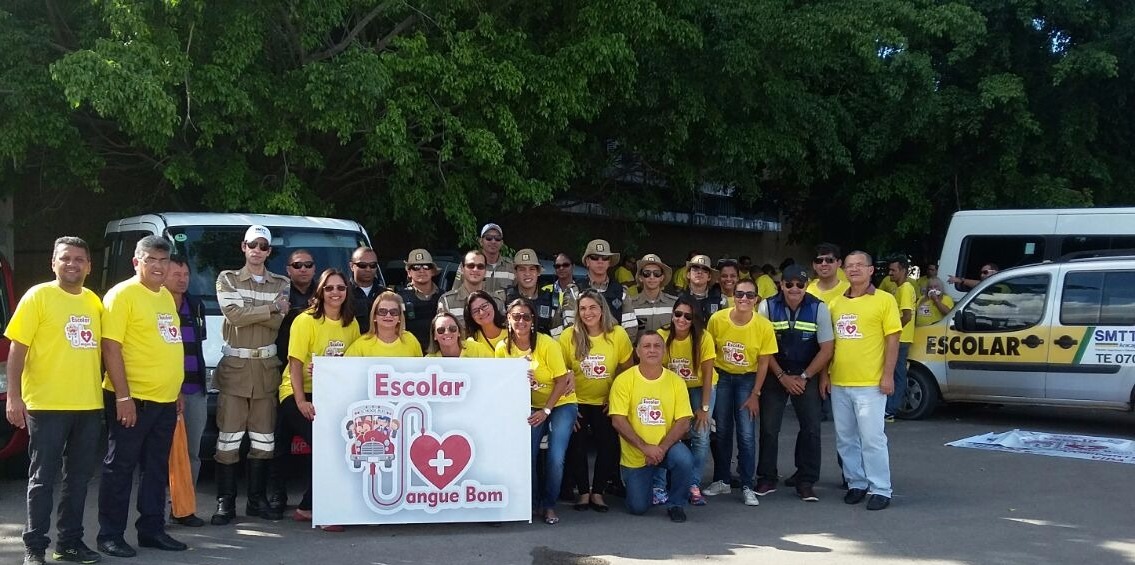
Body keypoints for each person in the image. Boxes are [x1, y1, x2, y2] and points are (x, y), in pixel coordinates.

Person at [6, 237, 104, 565]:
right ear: (53, 263)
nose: (72, 264)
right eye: (65, 258)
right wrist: (15, 397)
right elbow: (17, 349)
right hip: (46, 406)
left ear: (89, 266)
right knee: (42, 479)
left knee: (78, 480)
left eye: (79, 259)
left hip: (88, 406)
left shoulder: (94, 302)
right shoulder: (38, 297)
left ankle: (70, 544)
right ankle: (34, 547)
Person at [98, 235, 187, 556]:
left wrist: (175, 389)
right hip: (132, 400)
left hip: (164, 400)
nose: (159, 267)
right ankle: (110, 534)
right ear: (137, 262)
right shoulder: (122, 295)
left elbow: (169, 342)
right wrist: (123, 397)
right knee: (119, 468)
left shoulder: (164, 296)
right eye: (152, 260)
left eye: (164, 260)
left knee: (156, 468)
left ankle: (151, 529)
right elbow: (111, 347)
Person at [212, 225, 291, 526]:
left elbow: (276, 324)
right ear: (243, 247)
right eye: (252, 244)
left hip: (266, 372)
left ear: (269, 251)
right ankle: (225, 502)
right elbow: (233, 316)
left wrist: (253, 311)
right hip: (235, 372)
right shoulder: (227, 278)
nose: (257, 250)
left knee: (264, 440)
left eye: (263, 245)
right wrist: (269, 307)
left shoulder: (281, 282)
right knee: (228, 440)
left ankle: (256, 501)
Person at [277, 269, 360, 529]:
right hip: (297, 391)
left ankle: (307, 507)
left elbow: (354, 363)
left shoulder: (352, 323)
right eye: (329, 288)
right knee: (327, 445)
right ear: (320, 291)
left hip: (331, 394)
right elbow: (295, 363)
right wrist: (301, 401)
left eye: (340, 288)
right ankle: (326, 512)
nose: (335, 292)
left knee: (340, 444)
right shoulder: (305, 320)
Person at [825, 251, 901, 511]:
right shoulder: (835, 304)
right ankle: (856, 482)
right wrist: (826, 375)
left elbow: (893, 339)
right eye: (849, 266)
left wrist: (888, 375)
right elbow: (829, 345)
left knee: (872, 438)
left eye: (860, 265)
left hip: (871, 383)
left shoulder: (885, 300)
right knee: (845, 437)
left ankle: (881, 488)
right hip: (840, 381)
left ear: (871, 270)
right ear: (843, 271)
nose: (854, 269)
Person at [755, 265, 833, 502]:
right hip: (774, 373)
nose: (794, 289)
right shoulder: (767, 306)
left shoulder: (818, 307)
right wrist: (781, 376)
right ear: (781, 285)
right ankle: (767, 477)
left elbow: (827, 348)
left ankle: (806, 480)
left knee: (811, 428)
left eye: (800, 284)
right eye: (789, 284)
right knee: (769, 428)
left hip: (806, 374)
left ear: (806, 285)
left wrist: (806, 377)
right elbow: (762, 349)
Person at [496, 298, 577, 525]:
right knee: (526, 456)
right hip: (527, 405)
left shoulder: (547, 344)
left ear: (533, 321)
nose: (521, 321)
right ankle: (530, 504)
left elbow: (562, 380)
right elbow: (501, 383)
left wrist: (547, 410)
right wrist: (518, 381)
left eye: (526, 317)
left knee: (555, 457)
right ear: (508, 320)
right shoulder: (502, 348)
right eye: (516, 316)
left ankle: (549, 505)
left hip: (560, 402)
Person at [702, 279, 777, 507]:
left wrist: (755, 393)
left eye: (750, 295)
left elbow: (764, 363)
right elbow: (709, 351)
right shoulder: (718, 319)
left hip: (747, 379)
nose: (744, 299)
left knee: (746, 434)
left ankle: (747, 484)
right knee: (722, 431)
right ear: (733, 295)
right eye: (740, 294)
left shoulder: (763, 326)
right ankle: (722, 479)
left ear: (757, 299)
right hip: (722, 376)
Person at [608, 331, 695, 522]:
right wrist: (645, 448)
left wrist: (661, 449)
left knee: (685, 460)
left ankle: (676, 504)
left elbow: (683, 421)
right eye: (647, 346)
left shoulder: (676, 382)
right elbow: (618, 420)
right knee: (637, 507)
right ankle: (639, 484)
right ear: (637, 351)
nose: (652, 350)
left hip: (666, 448)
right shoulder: (623, 380)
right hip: (636, 453)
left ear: (664, 351)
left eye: (657, 346)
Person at [560, 290, 633, 513]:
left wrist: (616, 399)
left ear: (602, 309)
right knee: (577, 447)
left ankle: (598, 492)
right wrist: (567, 405)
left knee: (608, 446)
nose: (588, 313)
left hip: (606, 400)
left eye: (592, 307)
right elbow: (560, 373)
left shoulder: (617, 334)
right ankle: (583, 492)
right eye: (582, 309)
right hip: (577, 401)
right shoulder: (567, 336)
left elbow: (627, 370)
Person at [655, 297, 716, 506]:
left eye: (688, 316)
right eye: (678, 314)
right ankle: (659, 486)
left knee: (700, 433)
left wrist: (704, 408)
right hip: (672, 388)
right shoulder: (663, 336)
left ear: (695, 319)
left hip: (700, 387)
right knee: (666, 432)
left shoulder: (703, 338)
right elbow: (658, 372)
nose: (682, 319)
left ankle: (692, 483)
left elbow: (708, 374)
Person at [164, 255, 208, 527]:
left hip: (195, 390)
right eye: (176, 274)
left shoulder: (195, 304)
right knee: (159, 454)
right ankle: (156, 511)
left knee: (192, 453)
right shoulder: (156, 305)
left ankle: (183, 509)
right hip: (164, 392)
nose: (182, 279)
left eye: (185, 274)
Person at [564, 240, 638, 341]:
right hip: (583, 351)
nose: (600, 261)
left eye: (605, 258)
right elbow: (570, 328)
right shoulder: (575, 291)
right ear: (587, 261)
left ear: (609, 262)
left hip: (614, 352)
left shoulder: (621, 292)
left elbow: (630, 330)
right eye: (595, 257)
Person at [505, 249, 569, 337]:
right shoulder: (505, 298)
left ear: (538, 272)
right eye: (522, 269)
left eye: (532, 269)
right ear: (515, 273)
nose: (527, 273)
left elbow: (558, 336)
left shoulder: (551, 300)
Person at [438, 250, 506, 330]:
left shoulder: (496, 300)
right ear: (462, 269)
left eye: (480, 266)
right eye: (470, 266)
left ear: (485, 271)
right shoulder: (447, 302)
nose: (475, 269)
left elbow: (503, 331)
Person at [885, 257, 916, 422]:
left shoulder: (905, 288)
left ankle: (891, 410)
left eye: (893, 270)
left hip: (900, 339)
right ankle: (891, 408)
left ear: (903, 270)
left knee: (896, 373)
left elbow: (907, 316)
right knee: (896, 372)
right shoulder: (902, 288)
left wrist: (893, 332)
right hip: (901, 337)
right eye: (889, 270)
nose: (890, 273)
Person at [347, 292, 425, 357]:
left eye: (393, 312)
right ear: (374, 316)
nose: (388, 315)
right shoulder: (361, 345)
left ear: (400, 317)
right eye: (382, 311)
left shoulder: (410, 340)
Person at [275, 249, 317, 364]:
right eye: (297, 265)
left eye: (308, 265)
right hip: (282, 358)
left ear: (314, 269)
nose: (303, 269)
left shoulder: (324, 292)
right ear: (288, 270)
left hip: (316, 359)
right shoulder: (277, 292)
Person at [396, 249, 442, 350]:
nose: (422, 270)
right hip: (410, 353)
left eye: (426, 266)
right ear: (409, 272)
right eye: (416, 267)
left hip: (439, 354)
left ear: (432, 271)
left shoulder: (444, 297)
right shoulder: (399, 298)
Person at [453, 223, 514, 293]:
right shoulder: (468, 265)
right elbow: (455, 292)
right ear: (481, 241)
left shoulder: (511, 267)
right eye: (488, 238)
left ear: (502, 243)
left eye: (497, 238)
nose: (493, 241)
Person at [628, 253, 677, 336]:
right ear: (640, 277)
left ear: (662, 277)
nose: (652, 277)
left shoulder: (674, 303)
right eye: (646, 273)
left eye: (657, 273)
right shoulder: (629, 304)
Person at [678, 255, 726, 325]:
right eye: (695, 269)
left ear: (709, 277)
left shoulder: (721, 300)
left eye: (704, 270)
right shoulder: (678, 298)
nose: (700, 272)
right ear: (688, 274)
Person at [425, 312, 494, 358]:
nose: (447, 332)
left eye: (452, 328)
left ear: (459, 332)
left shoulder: (478, 350)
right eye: (441, 330)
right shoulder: (428, 361)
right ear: (434, 336)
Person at [348, 246, 383, 333]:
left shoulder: (386, 294)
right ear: (352, 266)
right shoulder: (342, 293)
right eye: (362, 265)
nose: (368, 269)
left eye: (373, 265)